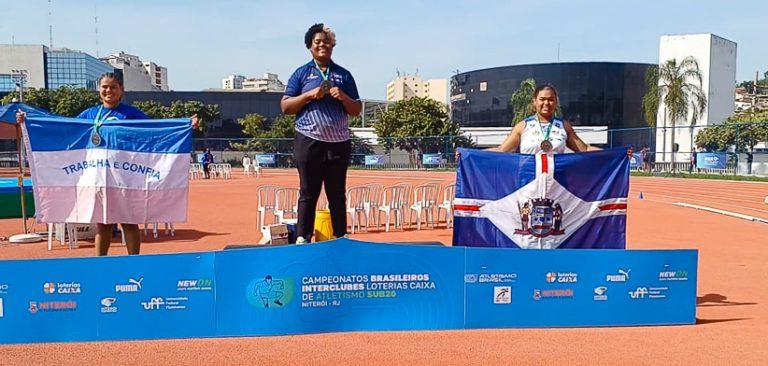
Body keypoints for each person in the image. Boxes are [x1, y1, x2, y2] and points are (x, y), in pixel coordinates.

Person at [17, 72, 198, 256]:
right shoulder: (90, 114)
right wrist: (29, 121)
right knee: (103, 223)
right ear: (99, 89)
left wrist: (185, 125)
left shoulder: (131, 114)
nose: (108, 90)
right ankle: (100, 264)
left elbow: (155, 131)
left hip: (126, 177)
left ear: (121, 90)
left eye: (113, 87)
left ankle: (134, 262)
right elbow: (64, 128)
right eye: (104, 87)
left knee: (129, 220)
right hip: (99, 178)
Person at [280, 23, 362, 244]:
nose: (323, 45)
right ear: (310, 46)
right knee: (308, 191)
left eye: (327, 41)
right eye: (318, 42)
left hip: (338, 143)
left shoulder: (344, 75)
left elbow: (356, 110)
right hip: (308, 140)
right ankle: (302, 238)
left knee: (336, 193)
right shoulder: (301, 74)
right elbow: (286, 107)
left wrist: (343, 96)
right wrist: (308, 95)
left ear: (333, 45)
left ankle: (340, 237)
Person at [487, 84, 597, 154]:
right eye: (542, 99)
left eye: (551, 99)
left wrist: (613, 154)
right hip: (529, 183)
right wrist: (471, 154)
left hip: (556, 184)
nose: (546, 103)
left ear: (556, 102)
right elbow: (502, 150)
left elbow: (585, 150)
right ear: (535, 102)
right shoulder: (522, 126)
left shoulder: (564, 126)